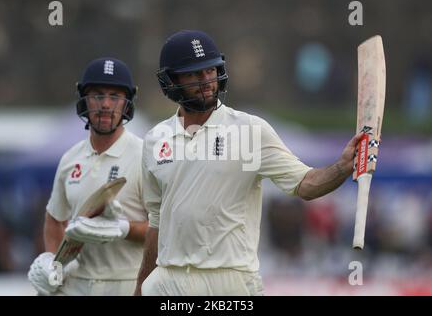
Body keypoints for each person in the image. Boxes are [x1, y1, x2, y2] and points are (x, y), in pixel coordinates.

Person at [134, 30, 363, 296]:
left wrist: (342, 167)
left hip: (230, 283)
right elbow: (157, 223)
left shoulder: (249, 131)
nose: (206, 80)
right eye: (193, 74)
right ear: (171, 81)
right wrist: (141, 286)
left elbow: (306, 184)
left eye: (210, 71)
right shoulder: (155, 139)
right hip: (169, 282)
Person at [28, 57, 148, 296]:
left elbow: (163, 229)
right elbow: (55, 219)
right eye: (97, 95)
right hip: (77, 284)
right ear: (84, 99)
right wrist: (55, 263)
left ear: (127, 103)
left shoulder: (145, 156)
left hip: (128, 283)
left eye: (115, 96)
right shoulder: (70, 159)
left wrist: (123, 228)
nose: (105, 104)